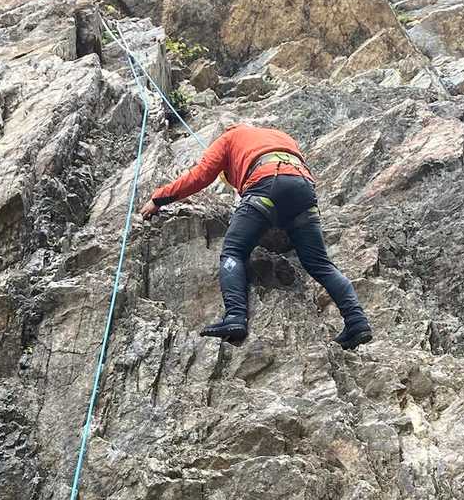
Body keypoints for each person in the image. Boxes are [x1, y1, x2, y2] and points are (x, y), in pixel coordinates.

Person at [141, 122, 373, 349]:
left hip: (266, 185)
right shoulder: (280, 135)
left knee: (234, 252)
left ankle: (235, 317)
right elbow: (287, 181)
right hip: (304, 190)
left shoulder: (228, 137)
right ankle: (357, 322)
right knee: (320, 264)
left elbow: (200, 176)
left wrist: (159, 199)